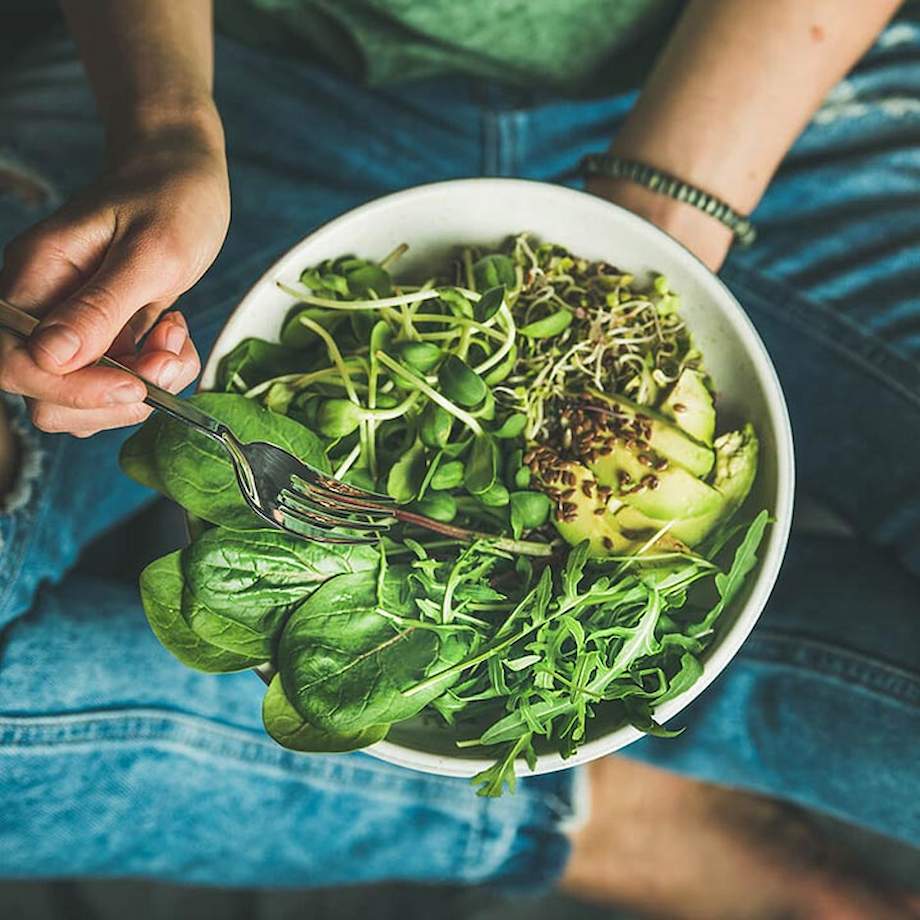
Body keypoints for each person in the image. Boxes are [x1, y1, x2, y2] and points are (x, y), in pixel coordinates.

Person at [1, 2, 918, 916]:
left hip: (756, 85)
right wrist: (162, 127)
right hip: (241, 81)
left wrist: (660, 217)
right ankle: (581, 810)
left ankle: (677, 711)